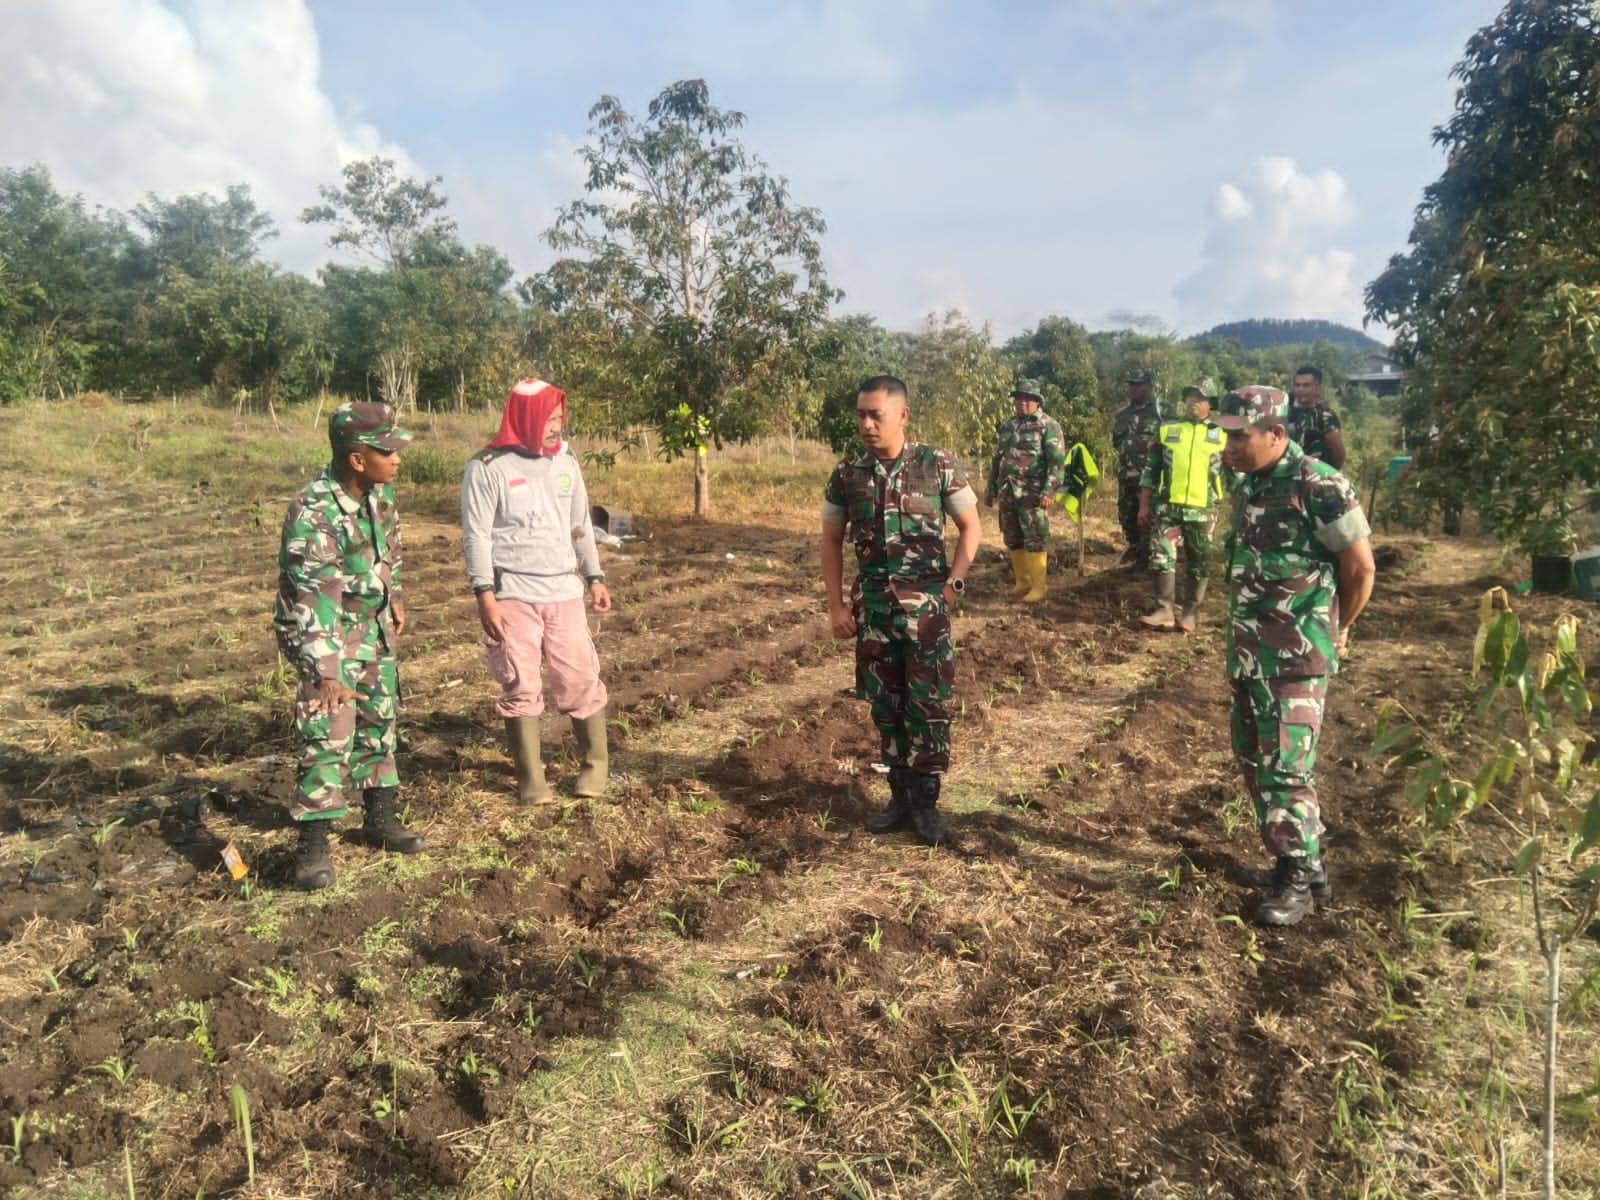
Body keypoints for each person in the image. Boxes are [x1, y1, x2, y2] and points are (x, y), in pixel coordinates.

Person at [1214, 385, 1376, 926]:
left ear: (1276, 434)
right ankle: (1304, 859)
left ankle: (1296, 879)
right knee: (1256, 761)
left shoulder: (1320, 485)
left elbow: (1359, 570)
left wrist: (1338, 629)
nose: (1229, 445)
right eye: (1227, 434)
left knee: (1286, 767)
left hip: (1297, 656)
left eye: (1240, 435)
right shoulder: (1250, 484)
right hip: (1249, 652)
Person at [821, 375, 982, 846]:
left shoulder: (937, 465)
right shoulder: (847, 473)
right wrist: (834, 606)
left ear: (903, 415)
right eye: (861, 415)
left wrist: (952, 586)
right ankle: (899, 797)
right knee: (885, 707)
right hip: (874, 613)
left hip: (927, 615)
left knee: (927, 707)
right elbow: (830, 541)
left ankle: (927, 802)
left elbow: (971, 527)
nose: (867, 425)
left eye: (877, 415)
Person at [274, 401, 424, 890]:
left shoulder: (378, 496)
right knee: (329, 730)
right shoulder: (313, 509)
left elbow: (389, 549)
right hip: (327, 633)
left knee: (379, 720)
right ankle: (312, 847)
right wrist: (327, 671)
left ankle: (379, 821)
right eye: (387, 450)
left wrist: (394, 595)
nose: (397, 458)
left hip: (371, 626)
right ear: (357, 458)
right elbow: (313, 597)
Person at [461, 377, 612, 804]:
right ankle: (531, 779)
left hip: (564, 590)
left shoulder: (566, 460)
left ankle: (595, 766)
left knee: (579, 677)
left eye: (561, 418)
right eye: (549, 419)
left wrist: (594, 576)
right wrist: (484, 595)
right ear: (524, 418)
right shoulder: (488, 467)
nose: (557, 427)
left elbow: (580, 523)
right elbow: (476, 536)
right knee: (520, 683)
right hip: (512, 593)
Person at [1137, 377, 1227, 633]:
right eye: (1189, 397)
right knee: (1162, 558)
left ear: (1211, 403)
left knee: (1199, 562)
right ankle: (1164, 609)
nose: (1193, 403)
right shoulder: (1169, 430)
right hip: (1169, 508)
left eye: (1200, 398)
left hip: (1203, 510)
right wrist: (1144, 505)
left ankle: (1190, 613)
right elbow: (1150, 471)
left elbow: (1235, 473)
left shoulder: (1220, 435)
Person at [983, 377, 1067, 602]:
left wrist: (1050, 490)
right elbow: (998, 458)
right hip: (1008, 490)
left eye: (1028, 398)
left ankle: (1039, 586)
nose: (1022, 402)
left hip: (1033, 492)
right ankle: (1022, 581)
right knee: (1012, 536)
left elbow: (1056, 461)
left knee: (1035, 536)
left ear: (1037, 401)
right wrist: (990, 487)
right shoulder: (1009, 425)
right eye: (1019, 398)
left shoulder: (1048, 426)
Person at [1112, 368, 1168, 569]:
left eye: (1138, 384)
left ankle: (1148, 563)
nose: (1134, 389)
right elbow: (1117, 442)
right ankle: (1137, 555)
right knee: (1127, 517)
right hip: (1126, 476)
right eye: (1131, 385)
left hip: (1150, 478)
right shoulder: (1122, 415)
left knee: (1148, 519)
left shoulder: (1162, 412)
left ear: (1149, 386)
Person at [1287, 365, 1346, 470]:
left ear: (1318, 388)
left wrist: (1327, 476)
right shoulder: (1285, 411)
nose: (1300, 389)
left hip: (1315, 478)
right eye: (1297, 385)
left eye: (1306, 385)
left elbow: (1338, 454)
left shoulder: (1325, 417)